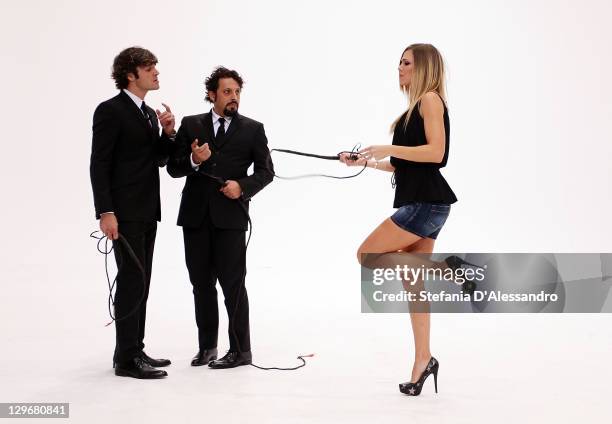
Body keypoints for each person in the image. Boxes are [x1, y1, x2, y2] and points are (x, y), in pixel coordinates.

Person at [341, 43, 457, 395]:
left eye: (406, 63)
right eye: (399, 62)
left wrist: (387, 147)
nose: (400, 68)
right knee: (413, 283)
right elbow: (403, 164)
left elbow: (436, 153)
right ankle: (424, 360)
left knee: (367, 256)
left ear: (422, 68)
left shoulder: (430, 101)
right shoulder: (413, 109)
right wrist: (365, 161)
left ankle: (446, 268)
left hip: (425, 203)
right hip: (429, 202)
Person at [167, 67, 273, 369]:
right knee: (201, 284)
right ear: (212, 94)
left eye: (237, 92)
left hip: (231, 217)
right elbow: (174, 168)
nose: (234, 97)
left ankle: (241, 351)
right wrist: (193, 160)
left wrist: (242, 187)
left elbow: (267, 172)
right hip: (196, 217)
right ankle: (207, 348)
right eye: (227, 92)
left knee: (233, 286)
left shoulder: (253, 129)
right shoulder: (191, 124)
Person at [90, 46, 176, 379]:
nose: (156, 72)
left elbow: (157, 159)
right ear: (131, 73)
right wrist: (105, 211)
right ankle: (126, 359)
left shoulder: (146, 113)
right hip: (123, 212)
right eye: (150, 67)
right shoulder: (110, 111)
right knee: (130, 281)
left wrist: (167, 132)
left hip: (146, 210)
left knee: (141, 281)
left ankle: (134, 349)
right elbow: (99, 164)